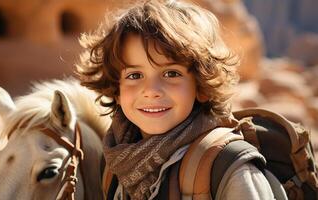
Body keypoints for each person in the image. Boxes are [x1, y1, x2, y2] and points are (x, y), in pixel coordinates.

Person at [77, 0, 274, 199]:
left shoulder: (227, 167)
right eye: (134, 76)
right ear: (117, 91)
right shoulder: (116, 165)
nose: (151, 91)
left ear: (201, 86)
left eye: (171, 74)